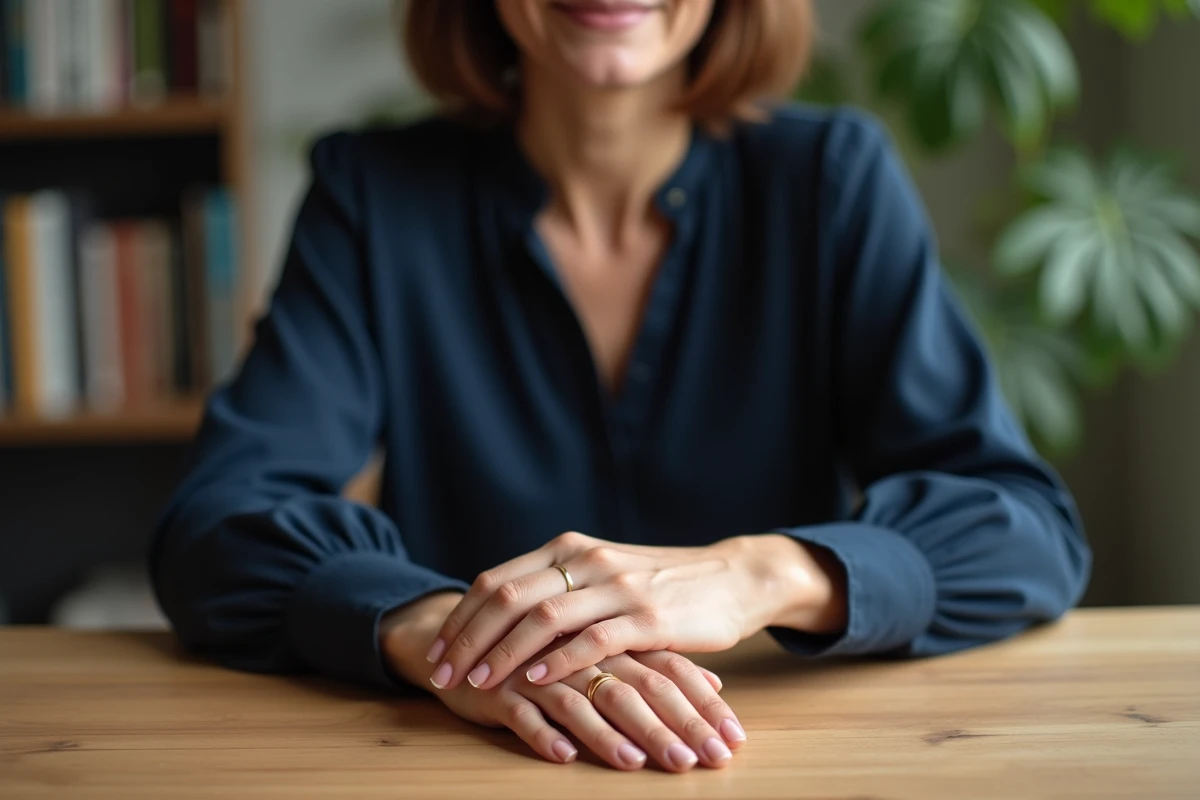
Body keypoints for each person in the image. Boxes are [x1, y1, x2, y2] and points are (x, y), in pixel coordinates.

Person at [152, 0, 1092, 775]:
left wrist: (755, 574)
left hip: (774, 764)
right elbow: (220, 524)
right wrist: (448, 636)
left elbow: (1025, 530)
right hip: (467, 766)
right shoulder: (372, 194)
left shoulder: (830, 180)